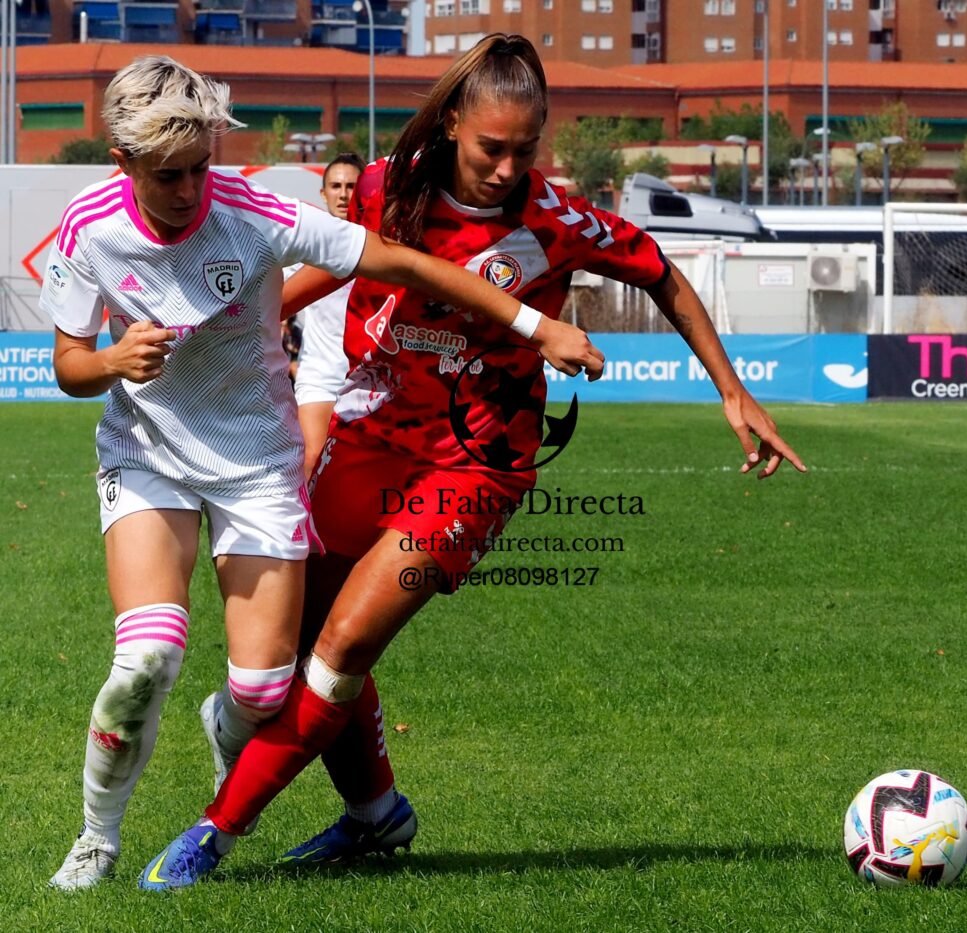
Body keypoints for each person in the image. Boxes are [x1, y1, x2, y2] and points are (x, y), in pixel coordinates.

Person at [139, 34, 805, 890]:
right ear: (453, 121)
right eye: (492, 147)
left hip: (474, 470)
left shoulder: (557, 223)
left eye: (525, 150)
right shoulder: (391, 188)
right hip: (371, 440)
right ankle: (377, 814)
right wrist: (236, 321)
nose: (506, 167)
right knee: (306, 635)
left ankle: (214, 835)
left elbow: (660, 272)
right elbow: (333, 263)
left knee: (341, 646)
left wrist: (731, 387)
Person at [42, 52, 599, 892]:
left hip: (257, 467)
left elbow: (404, 263)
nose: (191, 190)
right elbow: (68, 365)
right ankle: (95, 840)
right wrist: (116, 357)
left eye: (201, 168)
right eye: (168, 176)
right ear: (124, 165)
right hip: (147, 455)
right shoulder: (89, 226)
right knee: (145, 659)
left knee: (265, 689)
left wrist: (532, 323)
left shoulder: (253, 212)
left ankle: (242, 731)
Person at [293, 152, 366, 478]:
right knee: (311, 460)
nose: (343, 193)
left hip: (370, 378)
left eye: (352, 185)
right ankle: (302, 531)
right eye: (335, 186)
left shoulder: (385, 247)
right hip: (320, 376)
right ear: (323, 194)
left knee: (360, 474)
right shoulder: (306, 244)